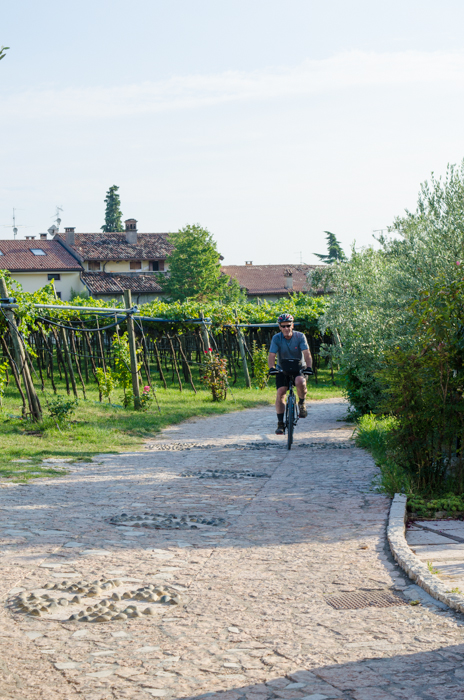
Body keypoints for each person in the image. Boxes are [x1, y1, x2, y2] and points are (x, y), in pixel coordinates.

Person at [268, 313, 313, 435]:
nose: (286, 328)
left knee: (300, 382)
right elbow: (272, 354)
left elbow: (306, 353)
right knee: (281, 392)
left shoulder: (300, 337)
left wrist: (309, 367)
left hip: (299, 367)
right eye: (283, 326)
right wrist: (271, 368)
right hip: (283, 368)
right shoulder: (276, 338)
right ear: (280, 327)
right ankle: (280, 424)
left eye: (288, 325)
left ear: (292, 325)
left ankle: (302, 403)